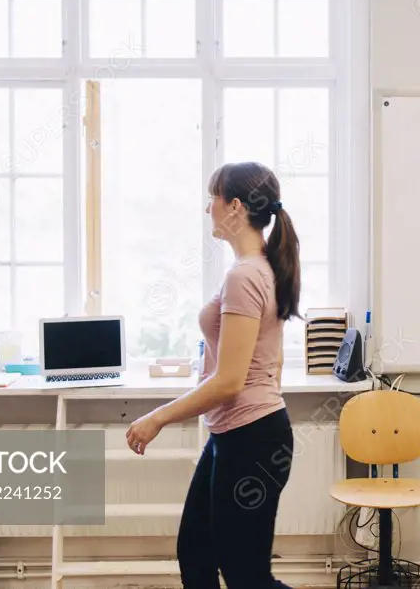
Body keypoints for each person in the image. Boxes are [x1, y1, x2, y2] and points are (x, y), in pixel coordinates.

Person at [126, 161, 302, 589]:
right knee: (197, 551)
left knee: (247, 576)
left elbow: (229, 381)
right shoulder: (262, 267)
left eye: (213, 198)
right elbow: (264, 362)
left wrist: (157, 418)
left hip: (253, 439)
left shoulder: (246, 275)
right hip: (240, 434)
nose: (208, 208)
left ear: (236, 207)